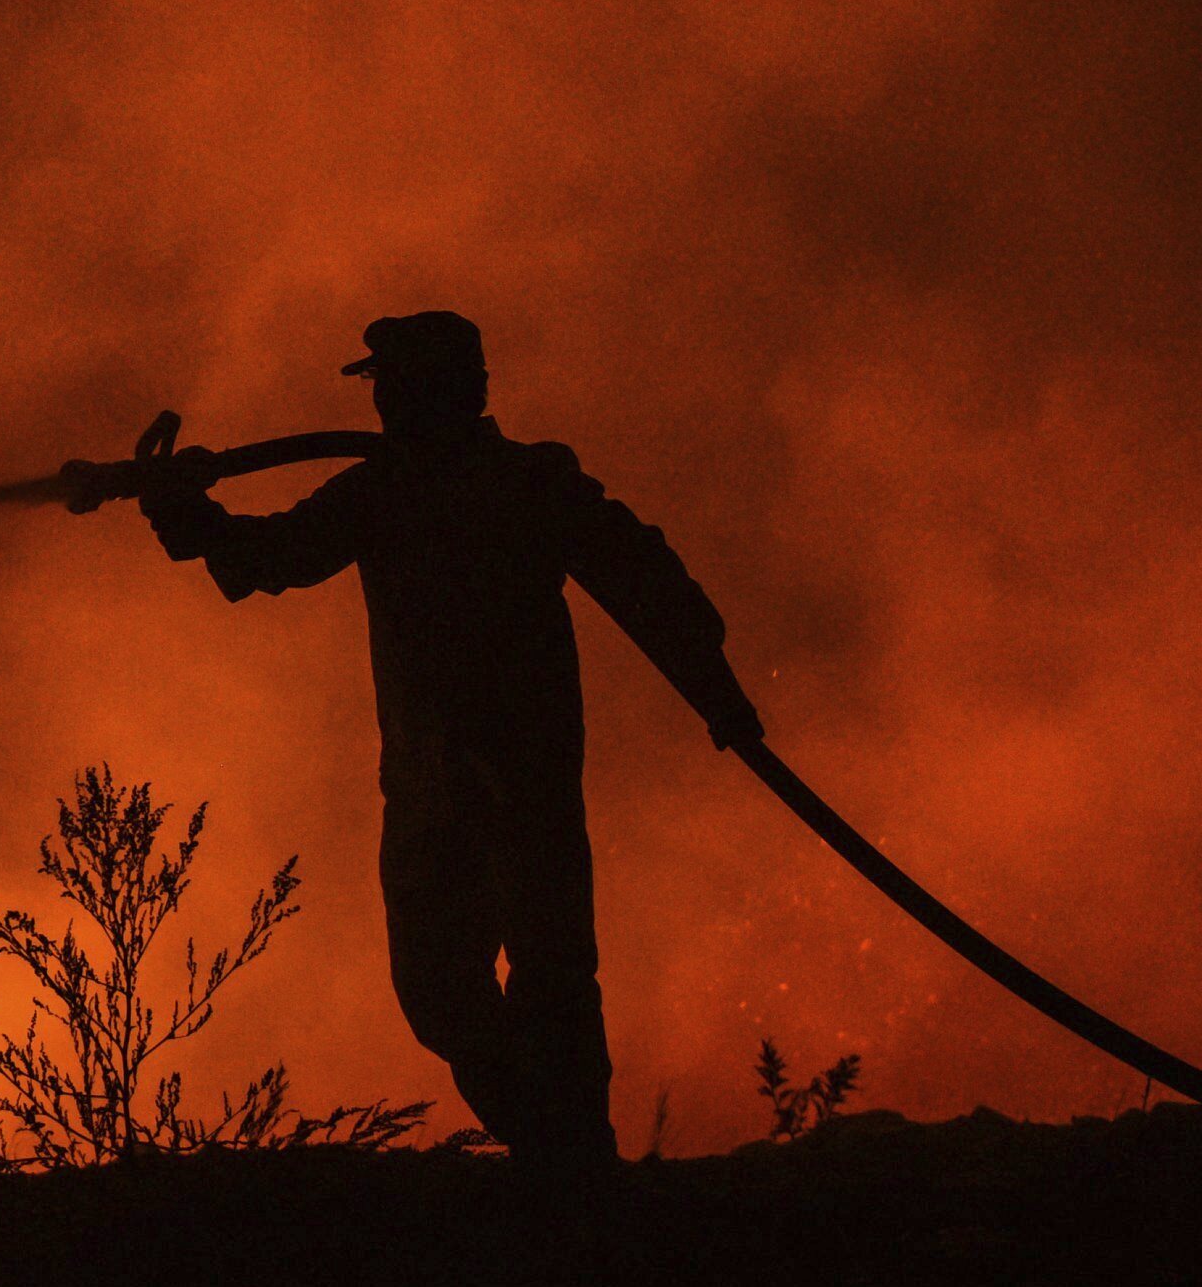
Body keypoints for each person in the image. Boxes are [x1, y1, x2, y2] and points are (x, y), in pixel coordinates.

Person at [133, 312, 764, 1164]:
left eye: (393, 384)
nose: (385, 402)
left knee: (541, 980)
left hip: (508, 780)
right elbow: (265, 558)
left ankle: (573, 1169)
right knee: (452, 987)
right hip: (441, 784)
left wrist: (716, 693)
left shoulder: (501, 485)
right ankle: (567, 1154)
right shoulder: (394, 490)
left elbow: (643, 580)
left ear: (448, 391)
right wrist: (182, 508)